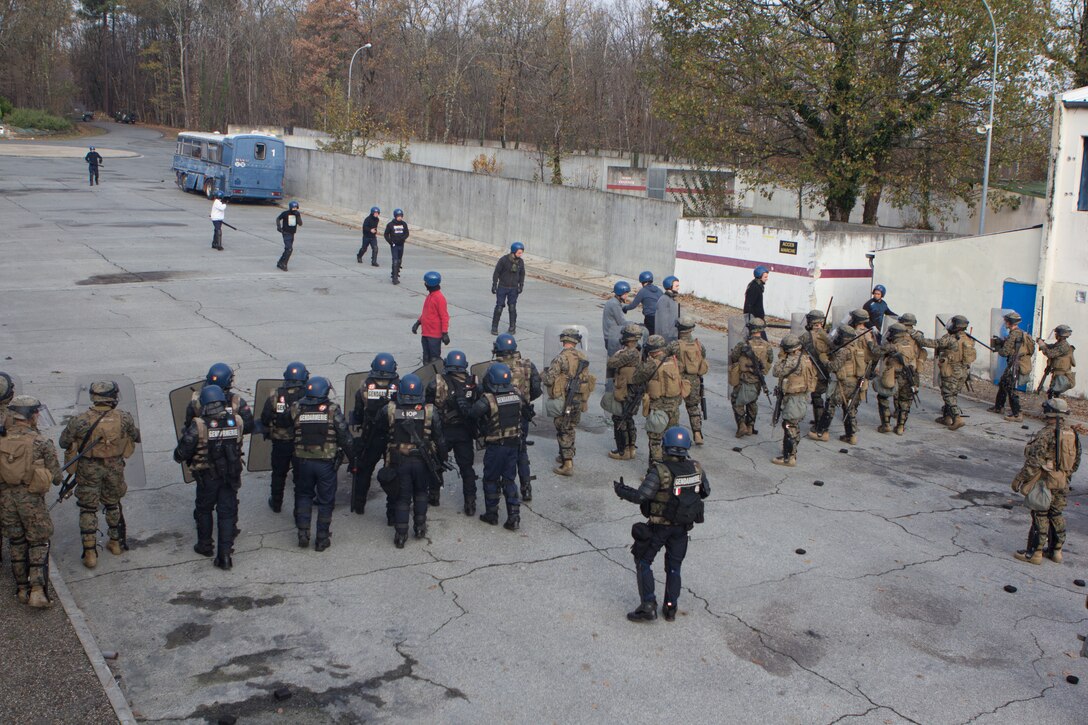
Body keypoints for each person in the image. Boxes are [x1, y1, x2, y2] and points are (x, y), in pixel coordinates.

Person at [613, 426, 709, 623]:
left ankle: (648, 605)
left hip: (659, 527)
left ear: (665, 447)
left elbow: (641, 496)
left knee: (643, 562)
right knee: (674, 568)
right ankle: (671, 607)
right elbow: (705, 492)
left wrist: (622, 491)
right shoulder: (697, 468)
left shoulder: (660, 471)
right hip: (682, 529)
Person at [58, 381, 141, 568]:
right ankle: (115, 542)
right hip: (114, 468)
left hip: (88, 469)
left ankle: (89, 553)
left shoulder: (80, 420)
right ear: (113, 397)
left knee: (88, 508)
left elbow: (64, 442)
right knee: (112, 504)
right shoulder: (124, 418)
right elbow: (135, 436)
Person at [0, 396, 62, 608]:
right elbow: (57, 477)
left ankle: (21, 589)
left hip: (6, 501)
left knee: (16, 542)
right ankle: (37, 590)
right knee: (38, 542)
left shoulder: (1, 439)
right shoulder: (41, 442)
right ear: (33, 415)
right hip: (32, 501)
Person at [173, 385, 243, 569]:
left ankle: (205, 545)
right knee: (226, 514)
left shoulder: (198, 425)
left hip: (207, 477)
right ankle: (225, 556)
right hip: (230, 475)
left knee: (204, 510)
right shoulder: (236, 420)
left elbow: (180, 454)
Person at [378, 374, 447, 548]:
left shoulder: (390, 409)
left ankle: (400, 535)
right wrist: (442, 459)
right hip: (422, 460)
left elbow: (379, 432)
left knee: (402, 498)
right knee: (421, 493)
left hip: (398, 460)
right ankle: (420, 527)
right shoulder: (430, 411)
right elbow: (439, 439)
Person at [1011, 398, 1081, 565]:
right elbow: (1076, 461)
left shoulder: (1046, 433)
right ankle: (1056, 551)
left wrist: (1020, 479)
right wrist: (1065, 475)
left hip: (1044, 480)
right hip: (1062, 480)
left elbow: (1034, 460)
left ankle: (1035, 553)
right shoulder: (1072, 433)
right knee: (1056, 513)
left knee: (1040, 513)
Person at [289, 376, 352, 552]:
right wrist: (353, 459)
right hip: (325, 464)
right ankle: (322, 539)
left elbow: (287, 429)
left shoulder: (296, 408)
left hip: (302, 461)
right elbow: (345, 437)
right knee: (325, 501)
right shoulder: (332, 410)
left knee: (303, 495)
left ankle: (303, 533)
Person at [469, 364, 523, 530]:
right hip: (513, 445)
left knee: (491, 479)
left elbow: (472, 414)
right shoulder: (517, 394)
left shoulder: (488, 400)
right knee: (509, 480)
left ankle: (491, 514)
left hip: (496, 447)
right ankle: (514, 516)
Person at [812, 309, 879, 444]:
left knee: (831, 404)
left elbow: (834, 351)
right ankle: (851, 435)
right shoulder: (868, 336)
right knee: (849, 406)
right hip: (859, 377)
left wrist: (824, 358)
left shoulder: (850, 337)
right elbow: (875, 355)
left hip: (844, 379)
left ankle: (821, 432)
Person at [491, 334, 542, 502]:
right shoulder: (528, 365)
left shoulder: (493, 368)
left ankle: (497, 486)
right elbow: (536, 388)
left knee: (498, 452)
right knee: (521, 451)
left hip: (500, 418)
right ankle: (526, 488)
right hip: (522, 416)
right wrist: (525, 401)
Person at [426, 350, 479, 510]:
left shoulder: (436, 383)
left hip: (442, 431)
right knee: (467, 468)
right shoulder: (473, 382)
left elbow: (428, 407)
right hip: (464, 432)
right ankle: (470, 503)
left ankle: (434, 496)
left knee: (436, 464)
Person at [351, 354, 399, 518]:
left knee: (364, 470)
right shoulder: (398, 386)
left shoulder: (365, 387)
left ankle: (359, 505)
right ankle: (392, 515)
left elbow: (357, 412)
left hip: (370, 434)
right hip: (392, 435)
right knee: (393, 473)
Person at [541, 328, 595, 476]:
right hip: (578, 399)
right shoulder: (582, 357)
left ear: (564, 340)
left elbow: (549, 379)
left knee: (563, 428)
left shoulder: (561, 358)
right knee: (570, 427)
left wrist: (543, 374)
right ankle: (566, 454)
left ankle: (567, 464)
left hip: (565, 399)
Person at [259, 362, 309, 513]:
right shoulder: (308, 395)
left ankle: (276, 503)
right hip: (300, 443)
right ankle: (299, 511)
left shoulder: (276, 395)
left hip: (280, 443)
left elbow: (265, 418)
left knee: (278, 474)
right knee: (300, 479)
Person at [633, 335, 687, 463]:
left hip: (658, 408)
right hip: (674, 408)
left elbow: (636, 378)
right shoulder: (675, 362)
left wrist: (644, 361)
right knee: (671, 439)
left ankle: (656, 470)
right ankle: (670, 467)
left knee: (655, 439)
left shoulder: (651, 365)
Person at [771, 336, 817, 466]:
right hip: (802, 396)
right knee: (794, 425)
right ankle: (791, 450)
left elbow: (776, 371)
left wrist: (781, 357)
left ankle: (789, 458)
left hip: (793, 398)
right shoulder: (806, 358)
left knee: (789, 425)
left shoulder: (791, 361)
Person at [728, 317, 774, 437]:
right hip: (757, 380)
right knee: (752, 401)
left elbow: (734, 357)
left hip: (743, 378)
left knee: (736, 401)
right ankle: (750, 426)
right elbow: (770, 360)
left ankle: (741, 425)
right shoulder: (767, 346)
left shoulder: (743, 344)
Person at [606, 324, 644, 460]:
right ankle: (630, 447)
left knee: (619, 418)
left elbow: (611, 363)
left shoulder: (629, 353)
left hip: (627, 390)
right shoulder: (638, 350)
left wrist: (617, 354)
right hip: (633, 389)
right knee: (628, 419)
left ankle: (622, 450)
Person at [990, 311, 1035, 422]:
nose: (1004, 323)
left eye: (1006, 321)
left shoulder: (1014, 334)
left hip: (1015, 365)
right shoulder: (1020, 332)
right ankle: (998, 407)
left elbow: (1005, 352)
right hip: (1015, 363)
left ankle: (1017, 413)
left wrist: (997, 349)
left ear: (1010, 322)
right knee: (1003, 383)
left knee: (1011, 388)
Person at [876, 323, 920, 435]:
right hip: (910, 375)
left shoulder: (893, 346)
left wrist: (871, 340)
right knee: (905, 402)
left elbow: (876, 351)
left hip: (894, 375)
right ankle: (900, 427)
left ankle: (886, 424)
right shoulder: (912, 344)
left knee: (883, 396)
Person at [934, 315, 976, 431]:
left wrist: (917, 337)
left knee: (948, 394)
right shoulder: (968, 339)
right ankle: (947, 417)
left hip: (951, 369)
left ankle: (957, 418)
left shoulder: (951, 338)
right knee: (953, 393)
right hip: (963, 371)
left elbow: (936, 344)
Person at [674, 316, 709, 445]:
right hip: (694, 380)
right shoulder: (699, 345)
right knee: (693, 407)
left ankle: (673, 432)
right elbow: (702, 357)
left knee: (673, 407)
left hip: (678, 380)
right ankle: (697, 433)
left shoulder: (674, 345)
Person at [800, 309, 832, 429]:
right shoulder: (827, 335)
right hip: (826, 370)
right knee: (819, 396)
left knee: (816, 396)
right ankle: (819, 419)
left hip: (814, 371)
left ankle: (820, 424)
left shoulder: (806, 336)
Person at [412, 271, 450, 364]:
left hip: (434, 335)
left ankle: (436, 376)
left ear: (429, 284)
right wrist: (418, 322)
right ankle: (426, 375)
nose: (424, 284)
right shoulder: (430, 296)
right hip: (426, 333)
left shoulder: (439, 298)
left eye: (425, 282)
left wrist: (445, 333)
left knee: (434, 359)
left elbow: (444, 316)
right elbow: (426, 313)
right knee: (426, 357)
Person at [491, 242, 526, 335]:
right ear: (513, 251)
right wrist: (494, 284)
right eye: (519, 252)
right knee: (499, 307)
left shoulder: (521, 262)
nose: (520, 254)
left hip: (513, 289)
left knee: (512, 308)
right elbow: (497, 272)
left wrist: (521, 285)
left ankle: (512, 327)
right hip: (502, 287)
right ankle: (494, 327)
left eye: (521, 252)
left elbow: (522, 274)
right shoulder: (504, 260)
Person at [1037, 325, 1076, 399]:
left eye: (1056, 333)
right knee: (1053, 392)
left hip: (1061, 375)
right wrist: (1042, 343)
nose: (1055, 335)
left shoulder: (1063, 346)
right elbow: (1051, 347)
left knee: (1053, 392)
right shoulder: (1059, 344)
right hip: (1057, 373)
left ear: (1061, 334)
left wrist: (1042, 345)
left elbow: (1050, 354)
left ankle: (1054, 408)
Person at [603, 281, 631, 357]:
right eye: (625, 294)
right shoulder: (615, 304)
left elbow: (621, 307)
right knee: (616, 361)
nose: (627, 296)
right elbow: (622, 322)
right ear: (619, 294)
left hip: (610, 336)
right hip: (613, 338)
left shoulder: (612, 301)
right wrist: (635, 325)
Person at [384, 208, 410, 284]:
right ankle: (394, 278)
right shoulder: (390, 224)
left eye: (401, 216)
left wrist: (403, 238)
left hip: (401, 245)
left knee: (399, 260)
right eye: (398, 216)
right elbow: (386, 234)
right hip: (394, 245)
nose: (400, 217)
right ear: (395, 216)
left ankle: (395, 272)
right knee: (395, 260)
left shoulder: (404, 224)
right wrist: (391, 242)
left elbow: (407, 233)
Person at [275, 201, 302, 271]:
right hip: (286, 233)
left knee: (287, 249)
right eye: (293, 208)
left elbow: (300, 224)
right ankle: (284, 264)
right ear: (290, 208)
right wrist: (279, 227)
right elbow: (278, 218)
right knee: (289, 249)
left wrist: (298, 216)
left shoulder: (297, 214)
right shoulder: (285, 213)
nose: (294, 209)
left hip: (292, 233)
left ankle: (280, 262)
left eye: (296, 208)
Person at [658, 276, 681, 344]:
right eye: (676, 286)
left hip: (673, 333)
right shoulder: (664, 300)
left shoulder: (672, 299)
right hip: (668, 336)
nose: (678, 288)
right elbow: (662, 320)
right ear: (670, 286)